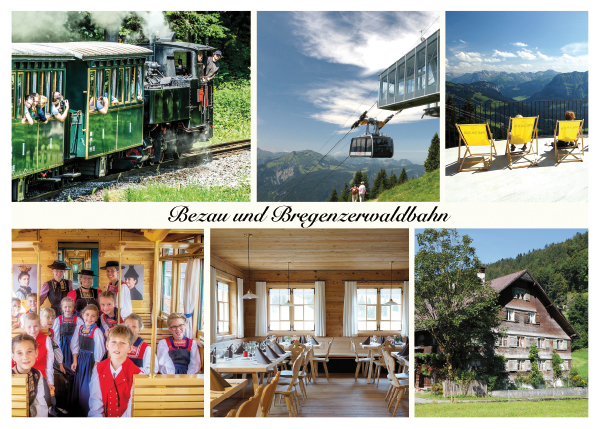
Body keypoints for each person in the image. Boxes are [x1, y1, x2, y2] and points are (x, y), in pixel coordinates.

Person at [88, 325, 143, 417]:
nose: (117, 346)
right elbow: (96, 401)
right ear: (107, 345)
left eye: (122, 343)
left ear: (130, 348)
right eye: (113, 342)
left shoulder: (137, 374)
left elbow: (132, 410)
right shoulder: (99, 369)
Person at [70, 304, 105, 417]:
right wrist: (75, 361)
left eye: (93, 316)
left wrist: (96, 365)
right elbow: (74, 345)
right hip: (81, 359)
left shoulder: (97, 331)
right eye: (87, 315)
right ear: (82, 315)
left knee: (88, 385)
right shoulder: (79, 328)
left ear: (96, 318)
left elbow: (99, 350)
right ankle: (78, 410)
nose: (89, 318)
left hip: (91, 360)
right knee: (79, 383)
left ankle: (87, 410)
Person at [11, 334, 51, 417]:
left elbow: (39, 401)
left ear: (36, 353)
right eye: (19, 353)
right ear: (13, 356)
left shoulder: (37, 374)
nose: (25, 357)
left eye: (29, 351)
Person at [42, 307, 70, 415]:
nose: (50, 320)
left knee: (67, 375)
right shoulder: (37, 330)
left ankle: (55, 405)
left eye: (53, 318)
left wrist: (60, 363)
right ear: (41, 319)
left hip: (52, 360)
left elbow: (56, 347)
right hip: (43, 362)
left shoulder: (51, 332)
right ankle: (50, 406)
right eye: (47, 317)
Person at [22, 313, 55, 396]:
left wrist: (50, 381)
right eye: (29, 327)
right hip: (24, 376)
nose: (33, 330)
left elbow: (50, 360)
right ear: (24, 328)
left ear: (40, 326)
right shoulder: (21, 340)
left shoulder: (46, 339)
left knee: (46, 397)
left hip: (40, 376)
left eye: (35, 326)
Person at [52, 297, 82, 369]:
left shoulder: (77, 319)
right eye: (65, 307)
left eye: (69, 307)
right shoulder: (58, 319)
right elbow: (56, 334)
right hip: (62, 344)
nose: (67, 309)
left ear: (73, 308)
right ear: (62, 307)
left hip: (74, 343)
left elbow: (80, 331)